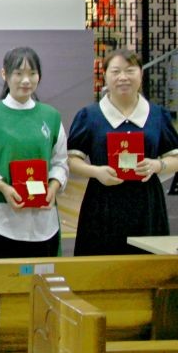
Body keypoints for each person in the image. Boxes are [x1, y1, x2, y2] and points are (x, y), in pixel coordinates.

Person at [67, 48, 178, 256]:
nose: (123, 78)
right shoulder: (89, 116)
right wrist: (96, 171)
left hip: (147, 205)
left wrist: (157, 165)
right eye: (116, 71)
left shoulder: (157, 115)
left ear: (141, 74)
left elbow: (175, 157)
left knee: (147, 268)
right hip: (102, 204)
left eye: (130, 71)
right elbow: (72, 160)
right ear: (105, 76)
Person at [0, 47, 68, 258]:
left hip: (43, 219)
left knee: (41, 284)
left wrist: (53, 186)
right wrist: (4, 188)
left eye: (32, 74)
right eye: (18, 74)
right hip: (0, 218)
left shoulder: (51, 116)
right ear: (5, 75)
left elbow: (60, 162)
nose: (25, 80)